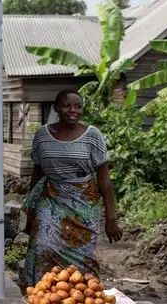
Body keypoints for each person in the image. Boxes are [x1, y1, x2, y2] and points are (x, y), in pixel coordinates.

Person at [20, 89, 123, 291]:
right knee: (42, 247)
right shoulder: (42, 136)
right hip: (51, 198)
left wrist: (111, 218)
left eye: (78, 106)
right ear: (57, 108)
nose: (73, 110)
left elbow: (104, 180)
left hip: (84, 204)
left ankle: (82, 298)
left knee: (83, 259)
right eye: (67, 105)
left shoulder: (93, 136)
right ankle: (41, 295)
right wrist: (31, 211)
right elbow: (37, 172)